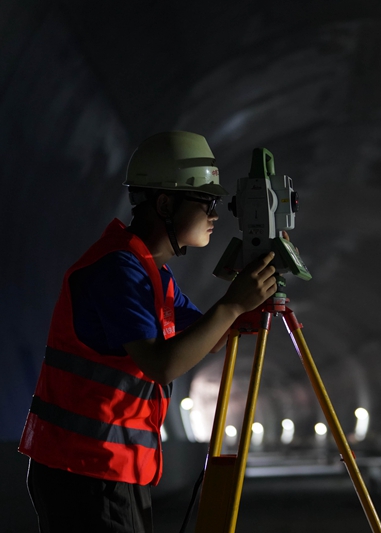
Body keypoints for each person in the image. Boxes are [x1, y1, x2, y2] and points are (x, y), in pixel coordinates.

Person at [19, 131, 277, 532]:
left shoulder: (153, 274)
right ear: (164, 203)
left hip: (113, 469)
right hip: (83, 471)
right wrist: (232, 304)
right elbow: (162, 364)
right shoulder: (116, 271)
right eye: (205, 200)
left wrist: (251, 292)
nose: (214, 213)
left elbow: (208, 341)